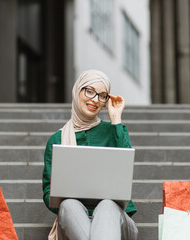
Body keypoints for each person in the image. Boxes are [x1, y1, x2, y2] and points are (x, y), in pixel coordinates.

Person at [42, 70, 138, 240]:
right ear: (77, 91)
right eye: (90, 91)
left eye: (102, 95)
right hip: (74, 219)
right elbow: (48, 191)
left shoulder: (114, 131)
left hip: (116, 220)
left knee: (107, 205)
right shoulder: (57, 139)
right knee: (68, 204)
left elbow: (126, 171)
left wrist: (116, 120)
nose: (95, 99)